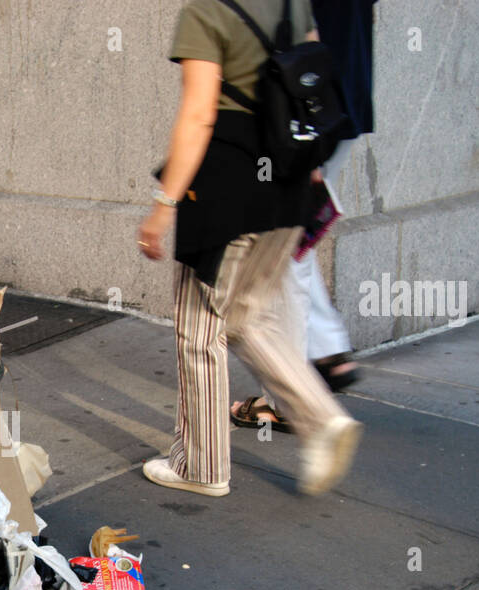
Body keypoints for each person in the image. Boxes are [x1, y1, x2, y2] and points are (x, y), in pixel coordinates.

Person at [138, 0, 362, 497]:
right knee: (245, 317)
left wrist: (163, 204)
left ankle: (201, 467)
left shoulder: (206, 12)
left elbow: (199, 116)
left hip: (229, 190)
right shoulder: (293, 3)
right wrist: (314, 169)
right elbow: (313, 84)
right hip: (289, 183)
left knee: (200, 330)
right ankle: (321, 419)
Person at [231, 0, 377, 431]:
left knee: (284, 248)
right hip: (341, 105)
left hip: (299, 112)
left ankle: (289, 395)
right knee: (292, 244)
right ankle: (328, 351)